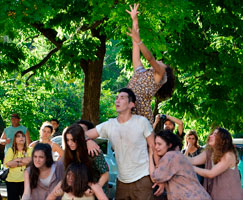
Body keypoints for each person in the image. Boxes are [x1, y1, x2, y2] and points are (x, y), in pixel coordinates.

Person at [85, 88, 159, 200]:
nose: (117, 101)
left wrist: (159, 177)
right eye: (116, 98)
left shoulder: (142, 122)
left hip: (143, 178)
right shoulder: (109, 125)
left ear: (131, 104)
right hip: (121, 181)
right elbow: (80, 134)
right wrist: (88, 141)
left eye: (122, 98)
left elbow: (154, 148)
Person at [126, 3, 175, 124]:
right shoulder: (140, 72)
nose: (161, 61)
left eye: (163, 63)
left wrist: (139, 40)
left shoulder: (161, 76)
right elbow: (135, 44)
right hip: (128, 111)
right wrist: (134, 20)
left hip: (141, 116)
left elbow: (150, 59)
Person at [149, 130, 211, 200]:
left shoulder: (170, 156)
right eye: (155, 144)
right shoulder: (177, 155)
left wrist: (150, 154)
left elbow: (155, 177)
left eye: (159, 144)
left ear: (169, 145)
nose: (156, 147)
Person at [189, 127, 243, 200]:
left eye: (215, 135)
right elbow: (192, 161)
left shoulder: (229, 155)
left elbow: (211, 173)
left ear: (223, 140)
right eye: (211, 134)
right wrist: (176, 155)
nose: (210, 136)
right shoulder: (209, 152)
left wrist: (191, 167)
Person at [63, 124, 109, 196]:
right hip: (79, 192)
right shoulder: (69, 152)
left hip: (96, 192)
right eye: (67, 140)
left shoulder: (93, 151)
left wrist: (95, 190)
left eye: (73, 140)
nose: (69, 143)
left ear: (80, 139)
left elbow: (105, 174)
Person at [4, 131, 32, 200]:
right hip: (11, 181)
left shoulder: (30, 150)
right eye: (18, 136)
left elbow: (30, 161)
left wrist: (17, 160)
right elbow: (8, 163)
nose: (21, 138)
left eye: (23, 136)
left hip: (26, 181)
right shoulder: (11, 150)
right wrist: (23, 161)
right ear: (15, 139)